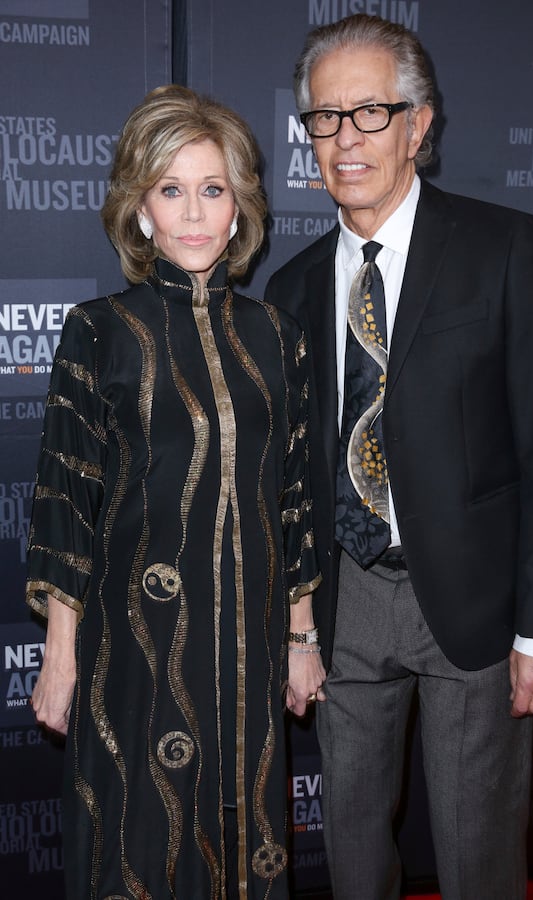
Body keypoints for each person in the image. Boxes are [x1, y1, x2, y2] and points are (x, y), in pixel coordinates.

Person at [265, 14, 533, 900]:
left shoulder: (504, 248)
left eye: (371, 112)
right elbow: (288, 481)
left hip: (475, 608)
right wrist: (297, 629)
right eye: (325, 118)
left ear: (420, 124)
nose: (346, 138)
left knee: (481, 858)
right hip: (344, 603)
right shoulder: (289, 290)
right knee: (355, 860)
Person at [26, 84, 324, 900]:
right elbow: (64, 498)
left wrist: (302, 637)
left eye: (212, 189)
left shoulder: (278, 339)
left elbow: (295, 494)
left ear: (239, 210)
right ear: (140, 210)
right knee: (139, 840)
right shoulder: (99, 331)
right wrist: (60, 651)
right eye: (171, 190)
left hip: (254, 648)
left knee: (247, 838)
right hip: (133, 646)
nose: (193, 213)